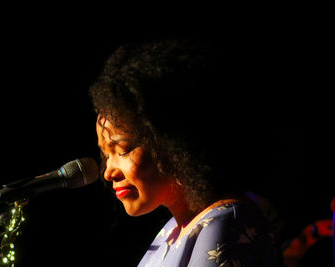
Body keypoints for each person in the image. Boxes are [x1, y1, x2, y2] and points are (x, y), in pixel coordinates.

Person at [89, 40, 282, 266]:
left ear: (171, 141)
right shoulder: (171, 231)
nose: (108, 172)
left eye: (122, 150)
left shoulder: (226, 222)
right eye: (105, 154)